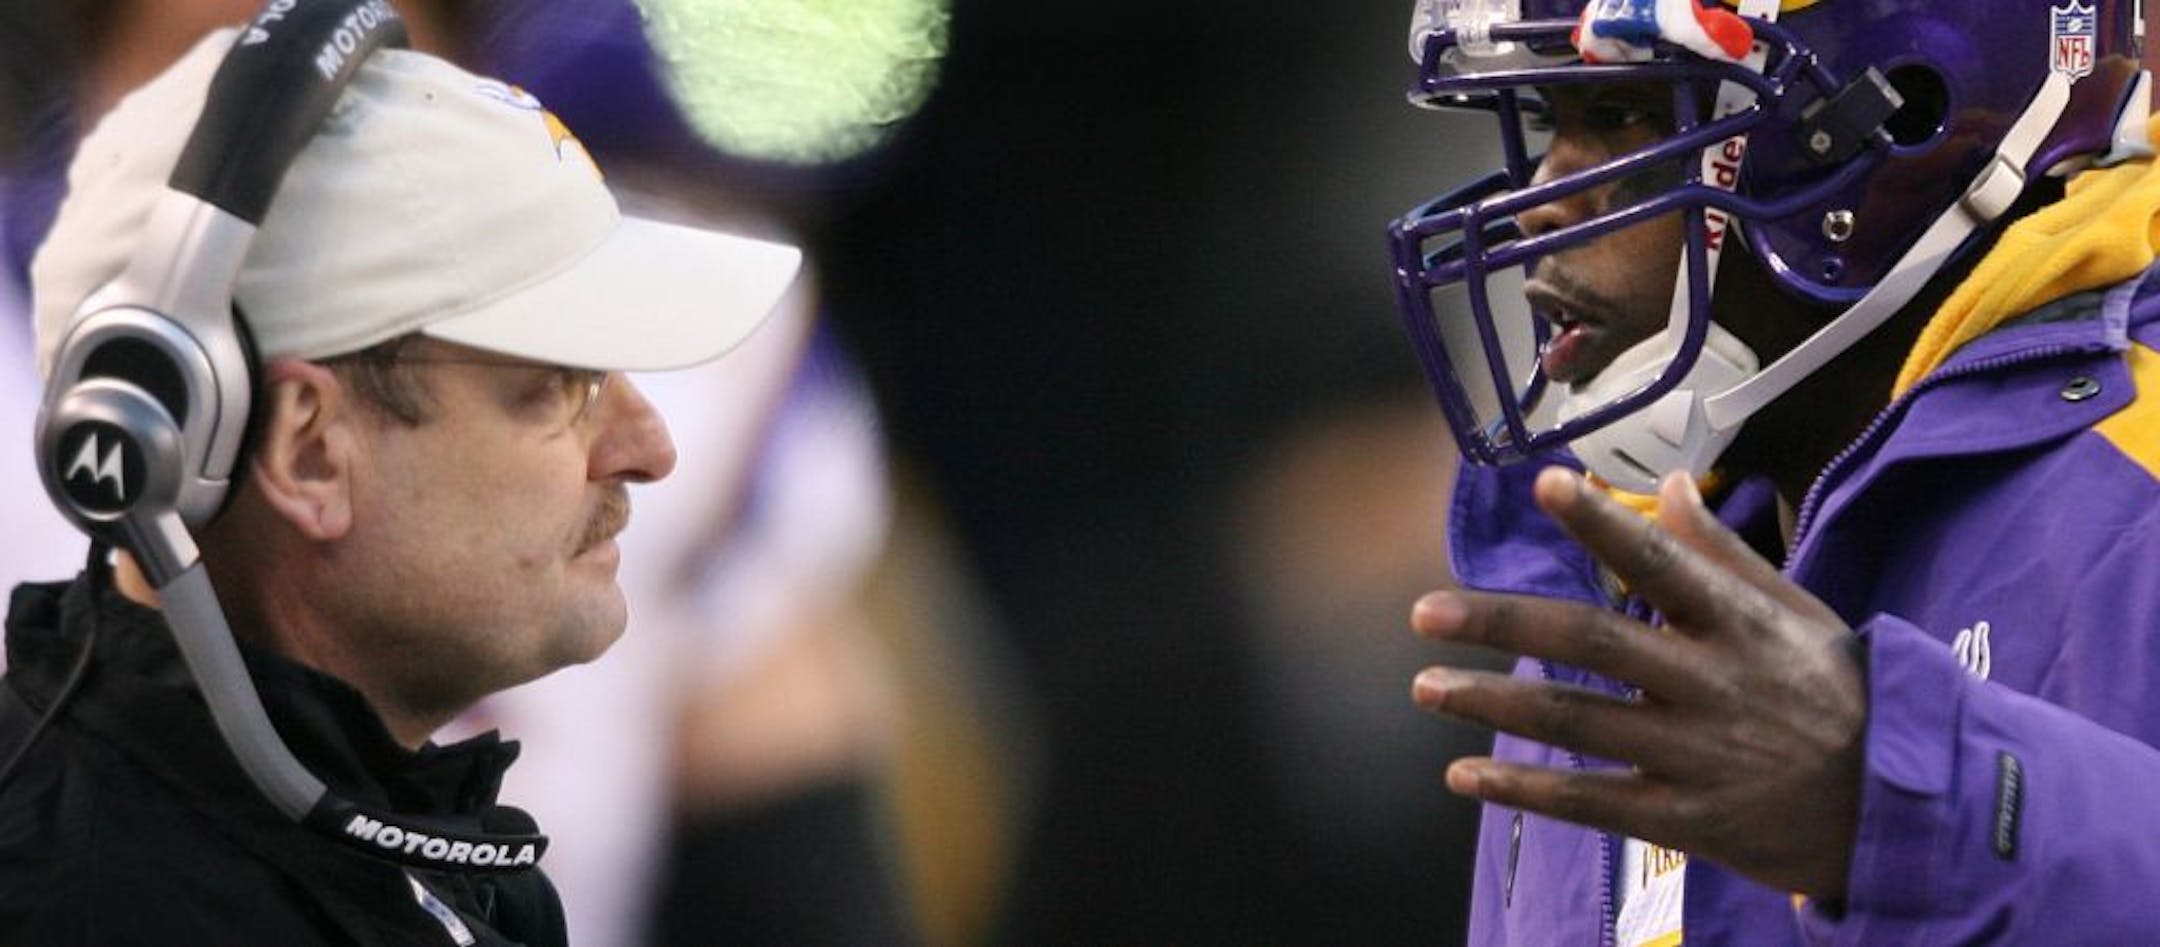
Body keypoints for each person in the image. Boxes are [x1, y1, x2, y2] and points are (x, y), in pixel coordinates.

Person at [0, 16, 802, 945]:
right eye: (558, 389)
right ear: (309, 452)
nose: (648, 445)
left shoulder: (411, 859)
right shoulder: (91, 905)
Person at [1390, 0, 2160, 942]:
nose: (1543, 203)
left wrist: (1920, 805)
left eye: (1628, 116)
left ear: (1899, 119)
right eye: (1555, 124)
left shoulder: (2139, 481)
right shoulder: (1605, 604)